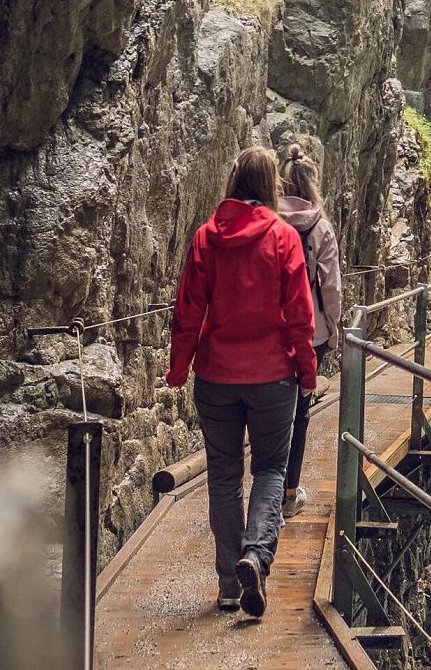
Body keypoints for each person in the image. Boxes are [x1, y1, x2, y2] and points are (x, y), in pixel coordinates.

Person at [166, 146, 319, 618]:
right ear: (270, 184)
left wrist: (177, 369)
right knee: (271, 470)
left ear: (234, 181)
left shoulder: (205, 239)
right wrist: (308, 371)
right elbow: (299, 313)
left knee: (225, 477)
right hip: (274, 376)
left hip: (216, 377)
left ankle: (230, 585)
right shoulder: (282, 237)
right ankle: (256, 556)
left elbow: (188, 311)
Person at [275, 143, 342, 519]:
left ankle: (264, 489)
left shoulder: (271, 222)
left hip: (273, 330)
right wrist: (333, 331)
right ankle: (287, 491)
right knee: (300, 413)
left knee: (270, 410)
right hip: (311, 333)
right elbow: (331, 287)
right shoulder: (321, 227)